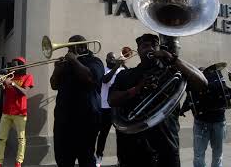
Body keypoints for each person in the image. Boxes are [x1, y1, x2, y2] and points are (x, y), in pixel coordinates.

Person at [108, 34, 208, 167]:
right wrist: (137, 88)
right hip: (132, 148)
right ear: (138, 50)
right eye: (145, 46)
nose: (149, 49)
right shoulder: (125, 75)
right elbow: (112, 100)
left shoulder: (172, 72)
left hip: (166, 147)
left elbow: (202, 83)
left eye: (154, 45)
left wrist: (173, 59)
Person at [50, 35, 104, 167]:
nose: (68, 50)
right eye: (67, 47)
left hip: (86, 120)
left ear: (82, 47)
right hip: (64, 121)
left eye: (71, 47)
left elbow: (90, 78)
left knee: (86, 159)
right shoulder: (66, 64)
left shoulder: (95, 61)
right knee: (63, 160)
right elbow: (54, 85)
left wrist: (74, 61)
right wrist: (57, 69)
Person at [180, 66, 228, 167]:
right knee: (212, 155)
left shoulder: (201, 84)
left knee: (203, 155)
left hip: (209, 122)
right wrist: (182, 110)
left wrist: (181, 111)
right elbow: (190, 99)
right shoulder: (212, 85)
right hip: (211, 122)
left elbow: (190, 101)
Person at [0, 57, 34, 167]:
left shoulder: (27, 77)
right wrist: (3, 84)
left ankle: (18, 162)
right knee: (1, 138)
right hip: (6, 112)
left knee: (21, 139)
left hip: (20, 112)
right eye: (12, 65)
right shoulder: (8, 76)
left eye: (15, 65)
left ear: (21, 65)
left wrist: (12, 83)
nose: (12, 67)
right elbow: (6, 94)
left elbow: (25, 92)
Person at [95, 51, 126, 167]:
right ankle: (99, 157)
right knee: (103, 134)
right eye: (111, 58)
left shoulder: (121, 71)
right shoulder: (103, 69)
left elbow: (129, 79)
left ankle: (121, 159)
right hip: (105, 108)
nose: (114, 60)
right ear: (107, 59)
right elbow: (105, 80)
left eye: (115, 58)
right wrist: (117, 66)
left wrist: (123, 65)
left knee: (121, 135)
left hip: (118, 108)